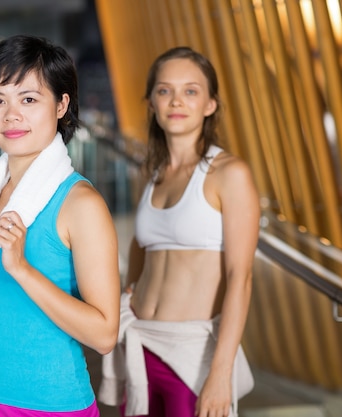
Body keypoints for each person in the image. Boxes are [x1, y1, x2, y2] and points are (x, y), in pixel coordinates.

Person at [0, 35, 121, 417]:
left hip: (50, 406)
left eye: (29, 99)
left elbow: (104, 335)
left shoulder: (81, 204)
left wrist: (22, 269)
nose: (10, 115)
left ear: (62, 104)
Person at [98, 47, 259, 417]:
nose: (176, 101)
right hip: (141, 344)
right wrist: (130, 289)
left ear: (210, 104)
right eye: (165, 90)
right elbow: (143, 245)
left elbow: (240, 279)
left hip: (191, 357)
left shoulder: (229, 174)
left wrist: (221, 374)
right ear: (152, 102)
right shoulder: (153, 174)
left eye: (191, 91)